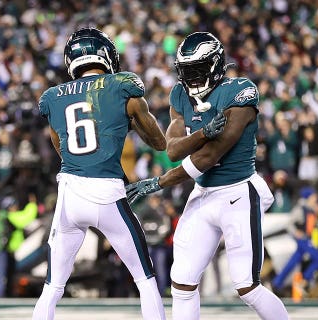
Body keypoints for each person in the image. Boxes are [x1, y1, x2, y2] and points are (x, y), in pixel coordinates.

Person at [126, 32, 289, 320]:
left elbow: (208, 157)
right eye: (186, 71)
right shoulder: (179, 93)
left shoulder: (240, 92)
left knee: (247, 287)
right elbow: (172, 149)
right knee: (182, 282)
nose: (191, 78)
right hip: (203, 194)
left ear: (215, 66)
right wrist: (202, 133)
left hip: (237, 192)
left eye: (198, 70)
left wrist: (160, 182)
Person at [32, 27, 167, 320]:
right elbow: (160, 142)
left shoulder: (53, 96)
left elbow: (61, 147)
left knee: (52, 287)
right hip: (108, 193)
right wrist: (127, 122)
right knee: (145, 280)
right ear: (105, 55)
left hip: (69, 195)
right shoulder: (122, 85)